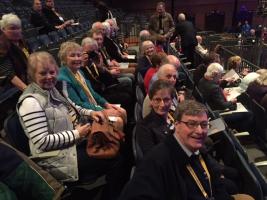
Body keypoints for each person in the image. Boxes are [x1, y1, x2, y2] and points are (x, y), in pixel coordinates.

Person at [17, 51, 127, 199]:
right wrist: (77, 134)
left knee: (114, 142)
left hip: (69, 146)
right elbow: (41, 142)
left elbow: (73, 106)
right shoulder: (30, 102)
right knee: (116, 160)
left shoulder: (50, 89)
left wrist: (90, 113)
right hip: (54, 158)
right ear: (32, 75)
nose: (49, 77)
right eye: (43, 73)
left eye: (52, 72)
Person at [119, 100, 254, 200]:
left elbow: (216, 179)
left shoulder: (196, 148)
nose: (200, 131)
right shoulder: (156, 162)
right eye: (191, 124)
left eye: (204, 124)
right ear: (176, 125)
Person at [57, 41, 127, 128]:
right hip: (85, 116)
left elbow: (92, 93)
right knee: (117, 120)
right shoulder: (63, 78)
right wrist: (101, 110)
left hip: (94, 107)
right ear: (64, 58)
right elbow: (77, 104)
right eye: (72, 56)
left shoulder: (79, 72)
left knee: (121, 111)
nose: (77, 59)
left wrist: (106, 104)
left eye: (79, 55)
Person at [136, 80, 175, 155]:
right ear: (151, 101)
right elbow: (152, 157)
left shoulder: (175, 115)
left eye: (166, 99)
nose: (162, 105)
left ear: (172, 100)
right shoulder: (144, 127)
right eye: (157, 100)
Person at [0, 13, 29, 91]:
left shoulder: (21, 40)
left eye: (19, 28)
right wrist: (27, 90)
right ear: (3, 29)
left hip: (29, 78)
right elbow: (9, 74)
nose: (17, 31)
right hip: (15, 88)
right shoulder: (2, 46)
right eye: (12, 28)